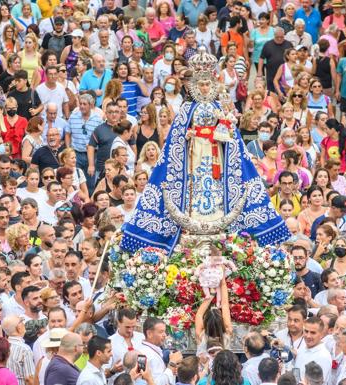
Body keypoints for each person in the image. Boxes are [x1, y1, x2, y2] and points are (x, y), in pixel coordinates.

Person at [120, 48, 289, 251]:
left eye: (208, 84)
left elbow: (231, 133)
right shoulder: (186, 108)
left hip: (216, 148)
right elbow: (176, 136)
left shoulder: (220, 105)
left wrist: (225, 125)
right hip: (195, 150)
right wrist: (187, 135)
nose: (205, 88)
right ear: (194, 86)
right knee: (196, 179)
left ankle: (220, 212)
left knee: (216, 180)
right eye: (201, 84)